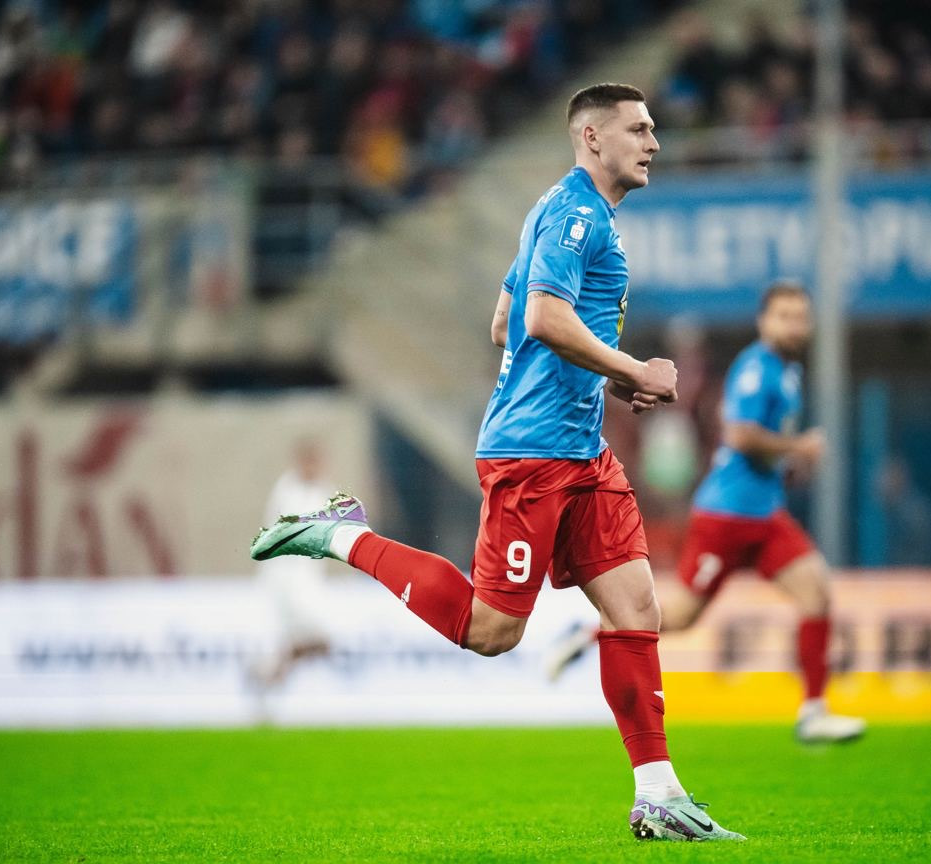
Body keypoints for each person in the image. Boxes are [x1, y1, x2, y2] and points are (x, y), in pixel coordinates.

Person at [251, 83, 743, 842]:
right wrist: (633, 369)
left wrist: (602, 378)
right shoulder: (578, 215)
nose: (654, 142)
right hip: (532, 453)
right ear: (592, 137)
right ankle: (341, 535)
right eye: (639, 129)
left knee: (636, 611)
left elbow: (503, 320)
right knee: (490, 631)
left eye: (653, 129)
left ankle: (658, 795)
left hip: (582, 450)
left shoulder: (562, 210)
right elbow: (540, 318)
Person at [548, 281, 866, 743]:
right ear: (764, 322)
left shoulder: (787, 371)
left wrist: (787, 464)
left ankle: (814, 712)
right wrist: (798, 447)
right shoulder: (757, 369)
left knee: (815, 589)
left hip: (764, 514)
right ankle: (586, 635)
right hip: (727, 517)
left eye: (800, 317)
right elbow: (740, 435)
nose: (794, 326)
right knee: (678, 616)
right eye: (784, 316)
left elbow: (759, 446)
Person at [248, 439, 337, 698]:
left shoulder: (324, 490)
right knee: (319, 638)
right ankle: (270, 671)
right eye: (310, 462)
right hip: (285, 577)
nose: (314, 468)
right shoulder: (287, 489)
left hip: (309, 578)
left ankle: (269, 672)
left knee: (318, 642)